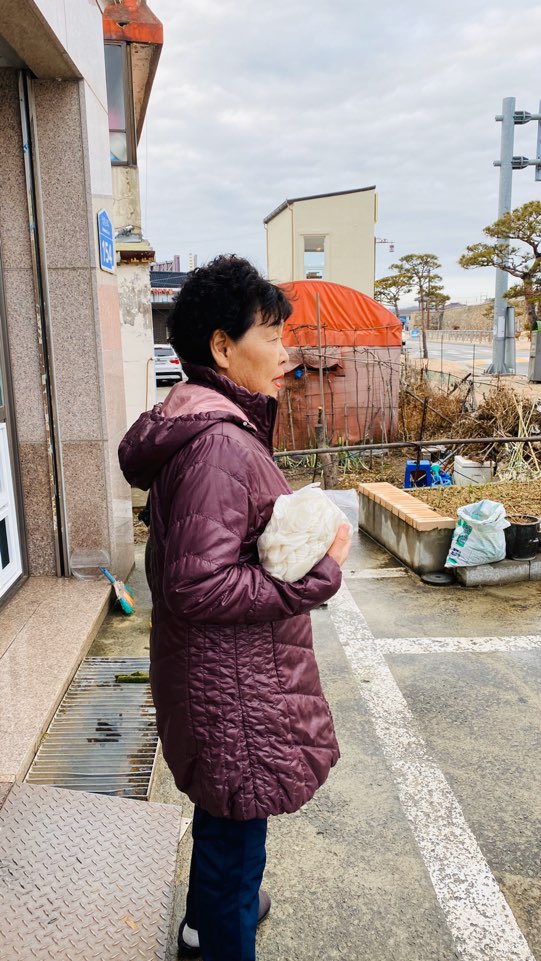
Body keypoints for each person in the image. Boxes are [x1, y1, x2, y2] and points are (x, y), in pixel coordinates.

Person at [118, 255, 351, 961]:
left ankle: (212, 917)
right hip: (233, 686)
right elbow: (197, 583)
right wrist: (316, 575)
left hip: (219, 678)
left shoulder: (210, 425)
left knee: (228, 815)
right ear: (222, 346)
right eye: (270, 334)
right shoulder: (220, 443)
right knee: (236, 826)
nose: (285, 352)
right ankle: (217, 931)